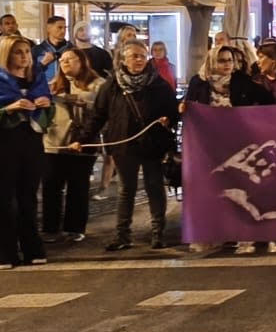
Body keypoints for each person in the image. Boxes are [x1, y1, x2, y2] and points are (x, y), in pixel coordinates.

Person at [78, 41, 179, 251]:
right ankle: (122, 234)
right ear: (123, 60)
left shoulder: (158, 84)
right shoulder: (112, 85)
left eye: (142, 56)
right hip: (124, 145)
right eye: (134, 56)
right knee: (126, 190)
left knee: (155, 187)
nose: (139, 60)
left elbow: (173, 112)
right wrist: (84, 138)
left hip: (152, 144)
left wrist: (168, 119)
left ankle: (157, 232)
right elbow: (98, 115)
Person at [0, 36, 51, 268]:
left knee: (28, 197)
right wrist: (10, 107)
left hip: (31, 142)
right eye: (18, 52)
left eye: (27, 51)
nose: (24, 56)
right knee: (2, 198)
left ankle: (32, 248)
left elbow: (48, 114)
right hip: (3, 144)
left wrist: (45, 104)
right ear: (7, 55)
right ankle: (4, 252)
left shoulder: (38, 79)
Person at [42, 49, 105, 243]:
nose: (65, 63)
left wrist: (69, 99)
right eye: (62, 60)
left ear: (82, 61)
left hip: (82, 142)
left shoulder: (98, 85)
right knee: (51, 186)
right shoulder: (53, 85)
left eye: (70, 59)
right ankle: (50, 228)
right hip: (54, 143)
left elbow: (99, 106)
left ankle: (74, 228)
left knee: (78, 186)